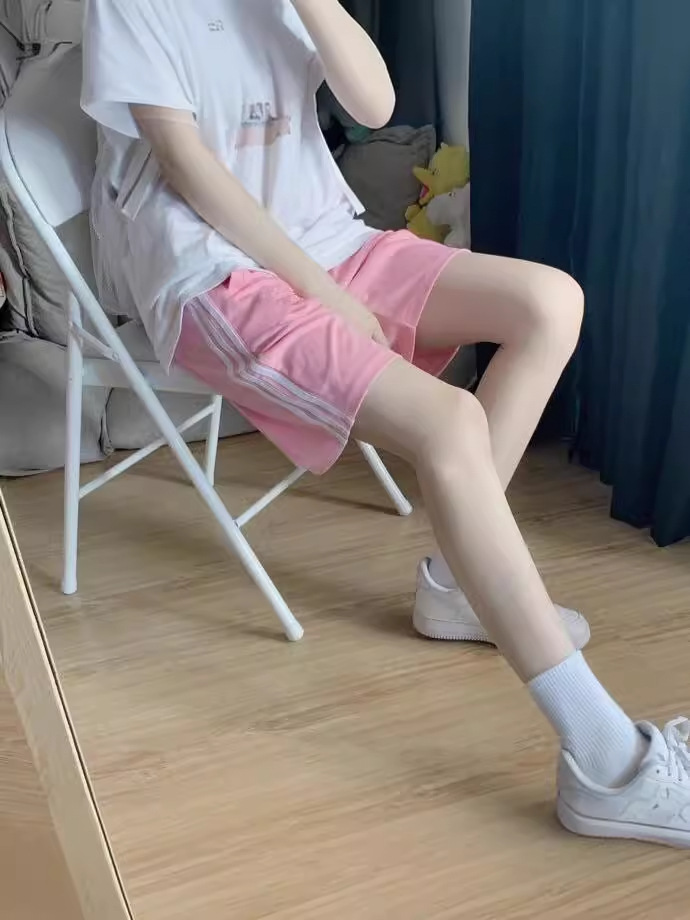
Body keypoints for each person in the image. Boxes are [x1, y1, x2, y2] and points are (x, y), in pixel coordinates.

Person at [82, 0, 689, 848]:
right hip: (217, 274)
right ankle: (607, 763)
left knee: (551, 302)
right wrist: (321, 294)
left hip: (332, 241)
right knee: (449, 425)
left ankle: (459, 586)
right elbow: (187, 166)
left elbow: (373, 104)